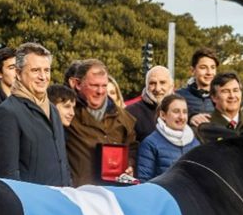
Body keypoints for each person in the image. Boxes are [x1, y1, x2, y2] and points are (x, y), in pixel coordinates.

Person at [0, 43, 70, 187]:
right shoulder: (7, 113)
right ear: (18, 73)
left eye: (47, 70)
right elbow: (8, 175)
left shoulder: (53, 111)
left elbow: (62, 162)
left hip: (58, 201)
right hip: (31, 205)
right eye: (35, 70)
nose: (43, 77)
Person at [64, 58, 137, 187]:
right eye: (94, 85)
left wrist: (129, 164)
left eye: (104, 86)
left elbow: (132, 148)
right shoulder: (66, 114)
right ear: (77, 84)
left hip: (112, 194)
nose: (100, 91)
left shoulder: (124, 117)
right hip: (79, 194)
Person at [136, 94, 199, 182]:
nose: (181, 117)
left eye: (184, 112)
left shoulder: (195, 143)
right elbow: (144, 181)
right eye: (176, 111)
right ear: (163, 115)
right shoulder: (150, 143)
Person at [199, 73, 243, 139]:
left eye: (235, 90)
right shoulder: (204, 128)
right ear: (213, 97)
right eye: (225, 91)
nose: (232, 96)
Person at [126, 66, 173, 142]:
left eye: (162, 83)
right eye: (152, 83)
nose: (157, 89)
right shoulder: (131, 113)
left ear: (171, 86)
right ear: (146, 86)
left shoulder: (183, 110)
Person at [176, 47, 217, 124]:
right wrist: (190, 117)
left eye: (212, 68)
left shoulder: (222, 96)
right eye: (203, 67)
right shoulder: (179, 96)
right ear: (192, 71)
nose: (209, 72)